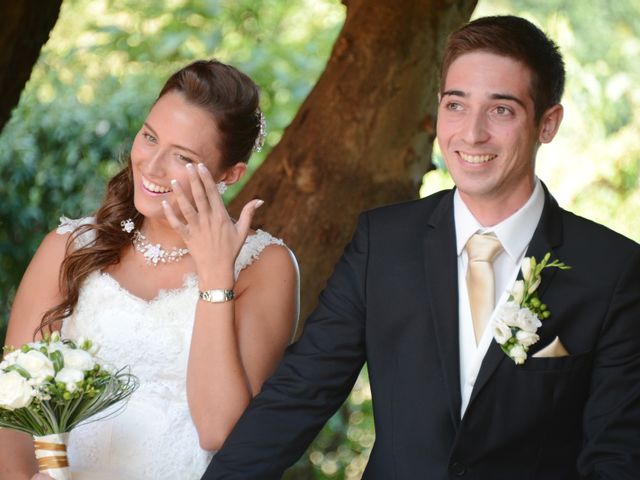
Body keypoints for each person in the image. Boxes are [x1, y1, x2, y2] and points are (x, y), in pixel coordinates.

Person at [202, 15, 640, 479]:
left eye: (502, 110)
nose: (471, 134)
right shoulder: (381, 244)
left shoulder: (612, 271)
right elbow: (300, 395)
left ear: (547, 124)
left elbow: (617, 453)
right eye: (456, 105)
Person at [0, 59, 299, 480]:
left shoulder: (264, 266)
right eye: (149, 137)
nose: (152, 166)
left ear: (229, 174)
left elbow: (220, 432)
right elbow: (12, 414)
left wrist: (215, 277)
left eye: (182, 156)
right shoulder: (68, 248)